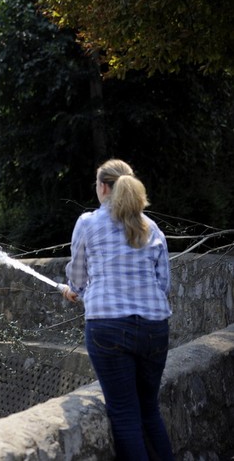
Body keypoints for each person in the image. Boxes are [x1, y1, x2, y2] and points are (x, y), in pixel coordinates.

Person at [62, 159, 174, 461]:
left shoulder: (88, 223)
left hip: (108, 328)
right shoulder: (152, 228)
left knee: (124, 414)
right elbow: (163, 283)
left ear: (102, 187)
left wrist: (75, 290)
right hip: (154, 327)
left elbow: (79, 277)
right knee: (149, 411)